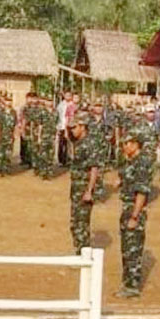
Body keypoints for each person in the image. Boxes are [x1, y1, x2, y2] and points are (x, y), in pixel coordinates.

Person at [115, 130, 152, 299]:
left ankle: (132, 286)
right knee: (126, 249)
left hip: (134, 210)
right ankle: (127, 282)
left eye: (127, 143)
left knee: (133, 250)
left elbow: (142, 193)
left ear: (136, 144)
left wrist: (135, 216)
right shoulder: (130, 161)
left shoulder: (142, 162)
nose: (124, 146)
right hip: (127, 208)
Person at [68, 112, 100, 254]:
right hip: (76, 188)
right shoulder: (79, 142)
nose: (72, 130)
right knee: (75, 223)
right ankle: (80, 252)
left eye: (74, 127)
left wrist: (89, 191)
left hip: (84, 189)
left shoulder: (90, 143)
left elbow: (94, 168)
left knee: (81, 224)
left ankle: (83, 255)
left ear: (83, 127)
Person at [38, 97, 58, 179]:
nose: (49, 103)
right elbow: (40, 125)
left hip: (52, 136)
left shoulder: (55, 112)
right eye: (48, 101)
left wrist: (56, 136)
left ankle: (49, 172)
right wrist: (39, 137)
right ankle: (43, 173)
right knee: (43, 155)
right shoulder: (42, 112)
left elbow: (57, 125)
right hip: (44, 136)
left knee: (50, 155)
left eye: (51, 101)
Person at [57, 91, 71, 165]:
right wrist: (58, 127)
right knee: (61, 144)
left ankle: (67, 159)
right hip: (62, 126)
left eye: (69, 95)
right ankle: (60, 160)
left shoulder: (72, 104)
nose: (68, 96)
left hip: (71, 127)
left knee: (69, 144)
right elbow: (59, 116)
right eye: (67, 95)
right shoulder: (61, 105)